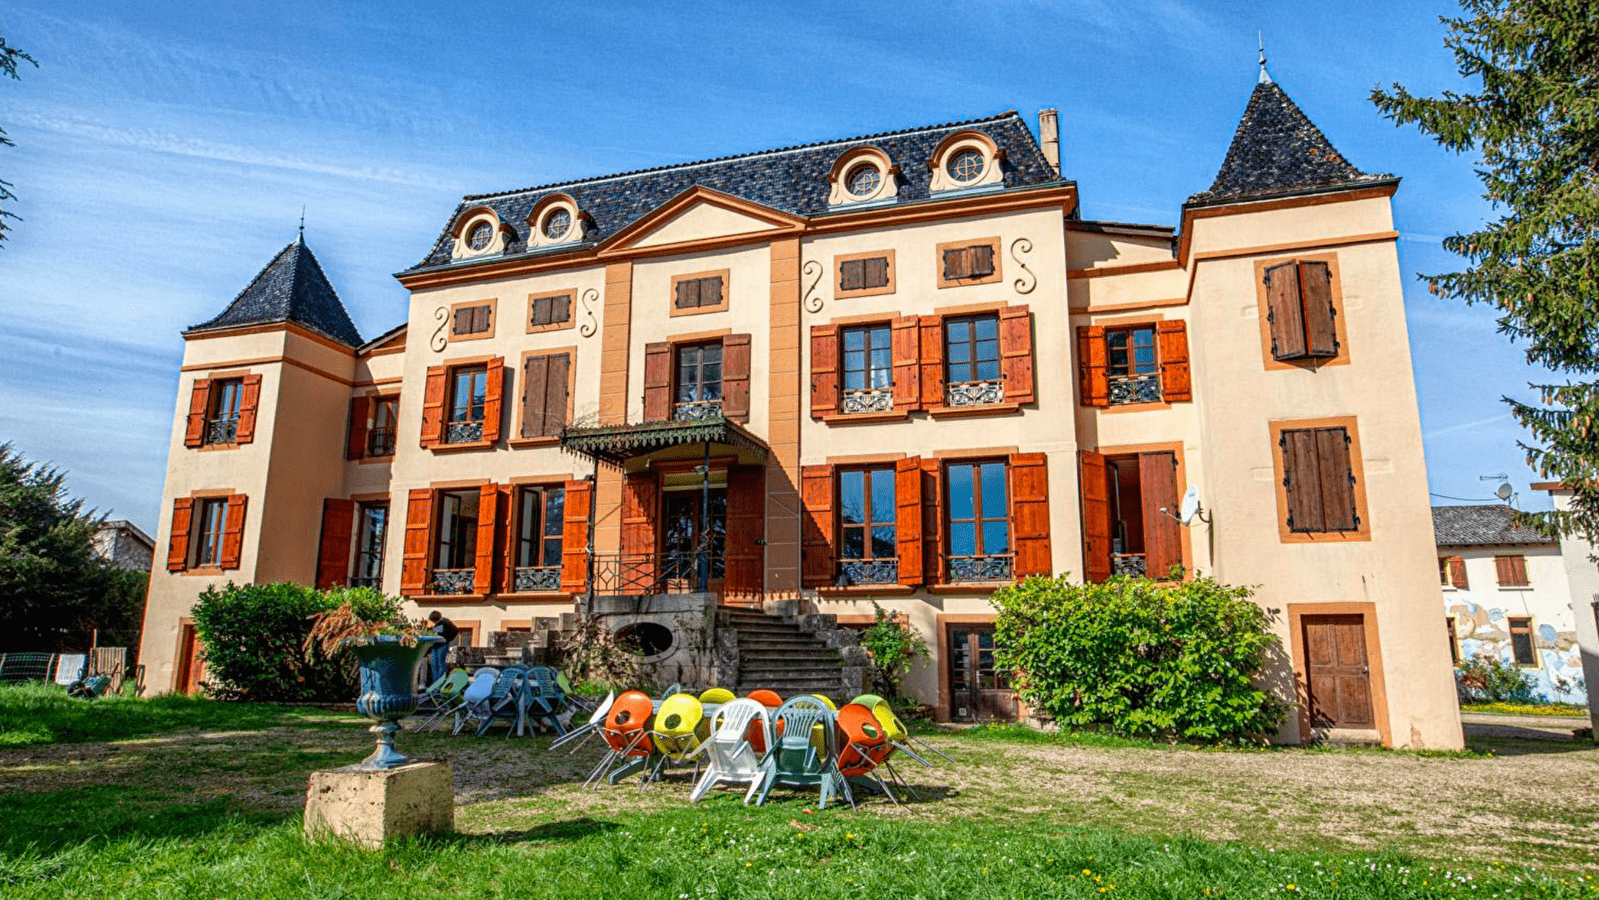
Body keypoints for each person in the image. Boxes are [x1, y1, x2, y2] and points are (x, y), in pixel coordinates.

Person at [427, 610, 458, 683]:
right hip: (435, 646)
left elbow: (455, 630)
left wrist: (447, 639)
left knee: (441, 664)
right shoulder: (437, 625)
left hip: (442, 645)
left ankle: (441, 682)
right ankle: (435, 682)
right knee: (434, 664)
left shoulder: (445, 622)